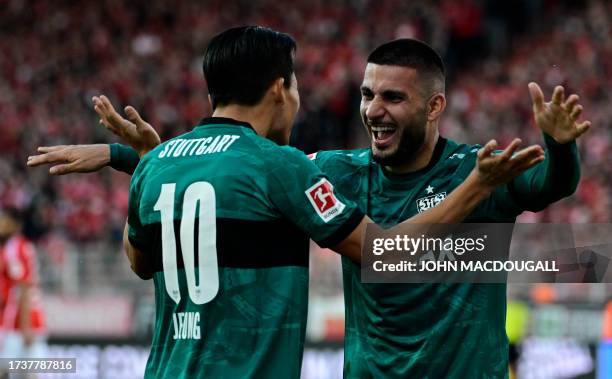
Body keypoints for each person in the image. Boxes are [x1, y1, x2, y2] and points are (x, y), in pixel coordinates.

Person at [28, 34, 577, 378]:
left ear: (434, 106)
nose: (373, 110)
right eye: (366, 95)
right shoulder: (332, 168)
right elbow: (239, 165)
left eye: (392, 97)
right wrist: (137, 154)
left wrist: (559, 146)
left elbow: (553, 184)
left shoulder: (477, 167)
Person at [0, 208, 47, 368]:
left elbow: (23, 286)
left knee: (10, 369)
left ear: (15, 224)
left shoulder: (16, 248)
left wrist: (26, 325)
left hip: (18, 322)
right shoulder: (18, 246)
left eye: (5, 220)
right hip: (22, 319)